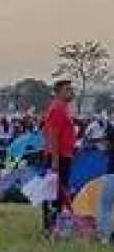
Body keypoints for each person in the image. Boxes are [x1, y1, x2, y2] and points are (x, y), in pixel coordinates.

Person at [42, 79, 77, 233]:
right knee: (54, 193)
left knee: (59, 193)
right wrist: (55, 161)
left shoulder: (63, 108)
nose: (71, 92)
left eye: (71, 89)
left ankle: (55, 225)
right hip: (59, 157)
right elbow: (53, 135)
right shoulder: (57, 109)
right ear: (58, 93)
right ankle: (51, 227)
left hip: (64, 155)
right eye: (67, 90)